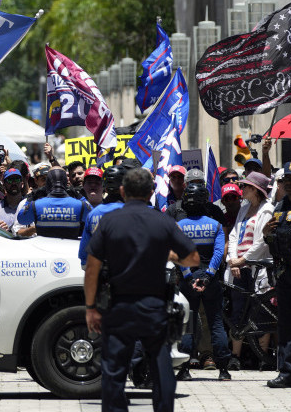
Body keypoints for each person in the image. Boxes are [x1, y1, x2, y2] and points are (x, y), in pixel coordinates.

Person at [84, 167, 201, 412]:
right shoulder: (163, 221)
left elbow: (92, 267)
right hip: (155, 307)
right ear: (150, 193)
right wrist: (172, 256)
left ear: (123, 191)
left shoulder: (108, 222)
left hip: (119, 307)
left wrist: (91, 307)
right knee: (161, 366)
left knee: (114, 370)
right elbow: (193, 258)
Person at [175, 181, 232, 381]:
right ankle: (224, 370)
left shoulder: (179, 226)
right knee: (216, 323)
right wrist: (208, 275)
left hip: (187, 280)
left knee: (188, 324)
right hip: (211, 280)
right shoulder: (215, 225)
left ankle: (184, 370)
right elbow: (219, 253)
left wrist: (189, 276)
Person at [263, 160, 291, 388]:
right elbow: (274, 237)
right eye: (284, 180)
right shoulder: (281, 206)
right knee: (286, 323)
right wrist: (265, 233)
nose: (288, 184)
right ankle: (288, 372)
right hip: (284, 270)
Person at [225, 171, 274, 369]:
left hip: (258, 266)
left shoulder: (267, 210)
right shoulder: (244, 208)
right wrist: (233, 260)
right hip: (240, 267)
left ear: (255, 189)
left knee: (262, 310)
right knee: (238, 309)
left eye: (245, 186)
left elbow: (262, 242)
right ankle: (235, 356)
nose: (241, 189)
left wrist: (243, 260)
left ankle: (262, 357)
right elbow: (235, 235)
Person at [15, 167, 89, 239]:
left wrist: (30, 198)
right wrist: (79, 196)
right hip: (69, 250)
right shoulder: (79, 205)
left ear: (48, 183)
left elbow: (21, 219)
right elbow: (95, 216)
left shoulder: (36, 205)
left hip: (43, 250)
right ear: (66, 181)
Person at [78, 164, 129, 265]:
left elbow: (84, 254)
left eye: (97, 183)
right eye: (89, 182)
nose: (93, 186)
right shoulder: (133, 211)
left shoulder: (92, 214)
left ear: (104, 186)